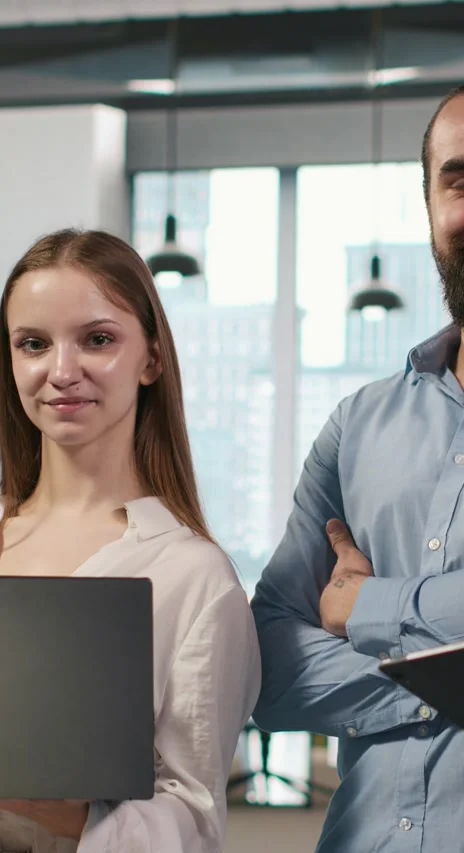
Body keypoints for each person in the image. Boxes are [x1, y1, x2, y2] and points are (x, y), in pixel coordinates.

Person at [251, 75, 464, 853]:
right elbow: (271, 665)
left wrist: (367, 609)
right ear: (429, 207)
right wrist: (461, 687)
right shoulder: (358, 423)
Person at [0, 228, 261, 853]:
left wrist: (35, 809)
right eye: (33, 344)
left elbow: (193, 823)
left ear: (151, 358)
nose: (62, 372)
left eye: (97, 340)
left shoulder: (192, 576)